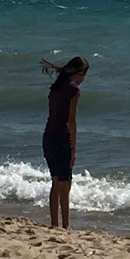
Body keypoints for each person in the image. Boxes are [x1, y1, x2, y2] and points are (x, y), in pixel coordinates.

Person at [40, 56, 89, 229]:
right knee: (65, 184)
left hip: (48, 137)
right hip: (62, 139)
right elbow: (71, 121)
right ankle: (66, 225)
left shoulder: (55, 87)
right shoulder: (73, 90)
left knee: (55, 183)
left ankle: (54, 224)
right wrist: (74, 148)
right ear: (80, 73)